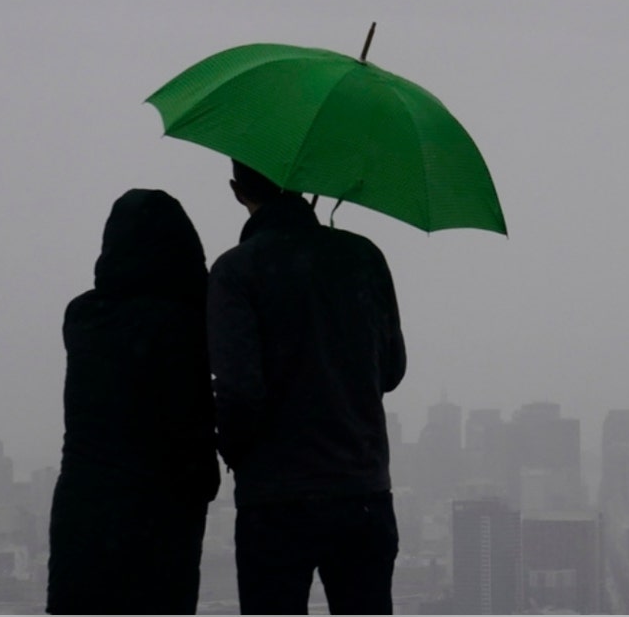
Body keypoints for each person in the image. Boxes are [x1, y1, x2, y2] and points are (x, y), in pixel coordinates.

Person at [208, 160, 406, 614]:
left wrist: (235, 452)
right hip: (362, 493)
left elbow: (239, 390)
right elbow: (391, 370)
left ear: (237, 190)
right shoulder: (363, 257)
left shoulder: (235, 272)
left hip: (275, 501)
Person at [48, 189, 220, 615]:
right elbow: (187, 422)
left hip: (83, 508)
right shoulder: (185, 324)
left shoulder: (82, 316)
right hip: (160, 511)